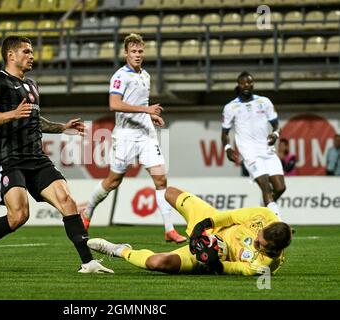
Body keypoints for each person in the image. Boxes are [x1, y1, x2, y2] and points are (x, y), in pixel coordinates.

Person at [0, 36, 112, 274]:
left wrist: (62, 127)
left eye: (32, 52)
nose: (32, 56)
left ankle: (88, 262)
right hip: (8, 157)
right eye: (26, 51)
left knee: (67, 201)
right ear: (11, 55)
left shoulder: (32, 84)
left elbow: (34, 119)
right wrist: (12, 114)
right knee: (19, 216)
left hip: (35, 157)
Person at [80, 33, 186, 244]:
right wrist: (146, 109)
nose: (137, 55)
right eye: (133, 52)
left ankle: (169, 229)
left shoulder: (145, 75)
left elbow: (139, 104)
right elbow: (114, 104)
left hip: (146, 135)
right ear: (125, 53)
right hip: (126, 136)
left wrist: (150, 115)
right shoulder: (120, 76)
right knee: (112, 181)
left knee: (161, 179)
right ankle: (87, 211)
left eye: (140, 51)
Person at [87, 186, 293, 276]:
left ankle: (119, 250)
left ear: (273, 251)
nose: (256, 243)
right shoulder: (264, 215)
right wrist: (204, 225)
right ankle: (186, 226)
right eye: (259, 237)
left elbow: (235, 269)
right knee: (170, 193)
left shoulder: (264, 265)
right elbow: (230, 217)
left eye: (260, 246)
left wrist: (214, 264)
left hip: (214, 256)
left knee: (158, 263)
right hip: (217, 226)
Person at [221, 71, 285, 219]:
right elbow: (224, 133)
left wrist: (275, 135)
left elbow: (277, 126)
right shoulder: (230, 107)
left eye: (249, 82)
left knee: (280, 188)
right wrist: (227, 148)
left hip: (267, 150)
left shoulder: (264, 102)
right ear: (238, 85)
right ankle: (277, 222)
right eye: (243, 83)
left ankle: (263, 210)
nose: (247, 85)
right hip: (249, 153)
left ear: (253, 84)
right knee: (266, 188)